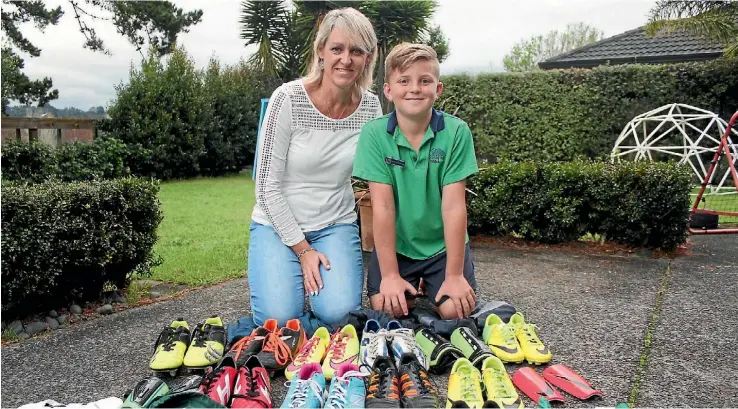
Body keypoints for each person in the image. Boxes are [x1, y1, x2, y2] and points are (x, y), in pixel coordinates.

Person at [247, 7, 382, 328]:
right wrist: (303, 250)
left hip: (335, 224)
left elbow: (383, 179)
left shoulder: (371, 107)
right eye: (337, 48)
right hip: (276, 227)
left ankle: (316, 306)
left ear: (368, 57)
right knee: (278, 320)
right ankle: (287, 280)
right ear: (320, 51)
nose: (345, 59)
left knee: (339, 315)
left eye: (356, 51)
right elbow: (265, 187)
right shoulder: (288, 99)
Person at [352, 43, 479, 320]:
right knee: (387, 309)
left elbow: (454, 207)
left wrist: (455, 275)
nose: (415, 88)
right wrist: (390, 275)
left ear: (438, 88)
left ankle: (438, 281)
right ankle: (410, 282)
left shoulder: (457, 132)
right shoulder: (374, 135)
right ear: (388, 90)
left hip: (441, 246)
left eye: (425, 81)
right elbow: (383, 208)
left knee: (454, 311)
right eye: (404, 81)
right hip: (398, 246)